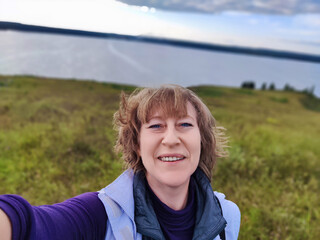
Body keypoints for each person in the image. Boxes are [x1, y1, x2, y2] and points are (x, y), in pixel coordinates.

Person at [0, 85, 240, 240]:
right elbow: (32, 224)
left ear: (202, 140)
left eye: (185, 124)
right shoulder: (99, 214)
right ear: (136, 144)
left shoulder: (227, 216)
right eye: (156, 126)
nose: (171, 139)